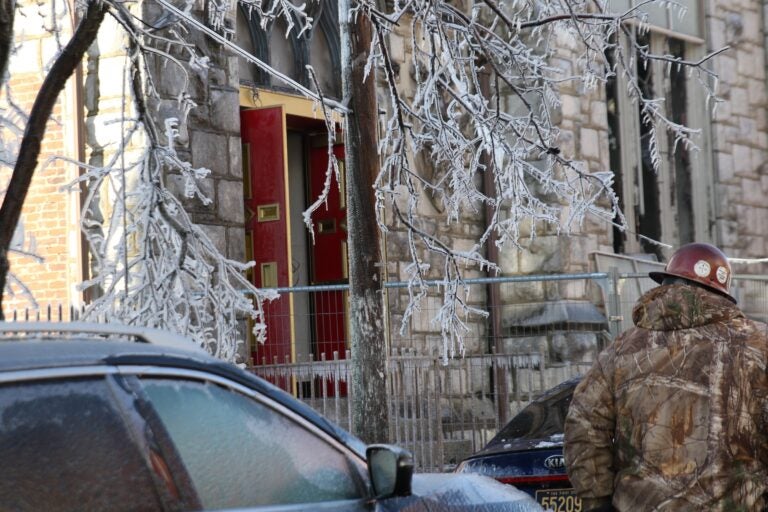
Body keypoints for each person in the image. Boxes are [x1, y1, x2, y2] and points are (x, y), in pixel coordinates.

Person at [564, 242, 768, 512]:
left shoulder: (623, 350)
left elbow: (583, 424)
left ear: (665, 285)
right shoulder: (758, 344)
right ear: (722, 294)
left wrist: (598, 501)